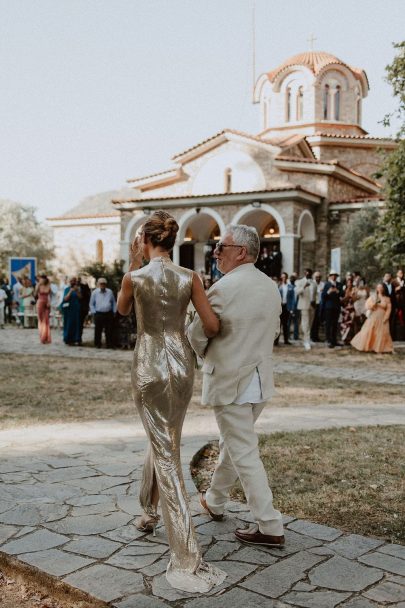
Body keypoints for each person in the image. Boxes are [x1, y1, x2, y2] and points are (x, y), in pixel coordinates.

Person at [117, 210, 226, 593]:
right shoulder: (190, 278)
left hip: (149, 364)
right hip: (180, 363)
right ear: (172, 241)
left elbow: (122, 310)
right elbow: (212, 326)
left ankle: (185, 551)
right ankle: (148, 511)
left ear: (145, 240)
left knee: (165, 450)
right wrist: (188, 328)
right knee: (165, 439)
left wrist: (133, 264)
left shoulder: (134, 277)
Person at [188, 224, 284, 549]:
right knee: (234, 444)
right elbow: (274, 331)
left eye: (221, 246)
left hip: (231, 380)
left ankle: (269, 524)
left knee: (244, 451)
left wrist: (208, 354)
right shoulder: (271, 287)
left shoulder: (223, 288)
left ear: (241, 252)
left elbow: (197, 333)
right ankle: (214, 500)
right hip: (259, 379)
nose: (215, 252)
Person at [351, 283, 393, 353]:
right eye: (378, 287)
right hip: (374, 316)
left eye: (381, 287)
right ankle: (368, 346)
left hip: (382, 317)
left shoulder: (387, 298)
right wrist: (374, 304)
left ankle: (381, 348)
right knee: (369, 330)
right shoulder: (374, 296)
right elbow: (367, 305)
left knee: (382, 332)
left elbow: (389, 309)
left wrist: (386, 317)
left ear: (384, 289)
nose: (379, 289)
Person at [89, 278, 117, 348]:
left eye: (104, 284)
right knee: (98, 330)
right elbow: (91, 304)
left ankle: (109, 344)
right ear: (98, 284)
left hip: (108, 313)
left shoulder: (109, 292)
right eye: (101, 284)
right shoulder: (95, 292)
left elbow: (113, 302)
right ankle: (97, 344)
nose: (102, 285)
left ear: (106, 284)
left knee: (109, 330)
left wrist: (114, 311)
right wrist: (94, 312)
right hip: (98, 313)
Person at [295, 268, 317, 351]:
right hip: (304, 305)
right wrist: (304, 286)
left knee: (310, 323)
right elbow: (297, 292)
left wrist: (315, 302)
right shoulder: (300, 282)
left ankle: (308, 338)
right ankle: (306, 341)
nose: (308, 274)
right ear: (304, 273)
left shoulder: (314, 282)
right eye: (306, 272)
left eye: (309, 272)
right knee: (305, 323)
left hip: (312, 305)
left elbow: (315, 294)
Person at [322, 270, 343, 348]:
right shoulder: (327, 284)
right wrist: (328, 292)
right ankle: (328, 340)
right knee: (328, 324)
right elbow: (323, 296)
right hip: (329, 307)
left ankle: (334, 340)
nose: (334, 277)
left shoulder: (339, 285)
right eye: (332, 275)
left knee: (335, 324)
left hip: (336, 306)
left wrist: (337, 291)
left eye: (335, 275)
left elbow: (342, 294)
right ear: (330, 276)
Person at [62, 277, 82, 345]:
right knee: (68, 323)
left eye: (73, 281)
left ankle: (76, 338)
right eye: (71, 281)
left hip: (76, 308)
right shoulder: (66, 289)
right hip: (68, 309)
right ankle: (67, 338)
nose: (72, 282)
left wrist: (76, 291)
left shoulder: (78, 289)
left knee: (76, 324)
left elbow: (80, 297)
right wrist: (70, 291)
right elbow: (65, 298)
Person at [275, 272, 292, 345]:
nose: (283, 278)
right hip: (279, 306)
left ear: (286, 278)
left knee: (286, 324)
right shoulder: (278, 286)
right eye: (282, 277)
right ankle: (276, 341)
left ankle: (286, 340)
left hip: (286, 306)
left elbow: (291, 298)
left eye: (284, 277)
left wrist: (291, 308)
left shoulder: (289, 286)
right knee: (278, 324)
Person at [35, 275, 52, 344]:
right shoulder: (38, 285)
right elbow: (35, 294)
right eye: (40, 279)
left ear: (45, 280)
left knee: (46, 320)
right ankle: (42, 337)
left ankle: (46, 337)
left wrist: (49, 302)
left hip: (47, 303)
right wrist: (38, 285)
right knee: (41, 320)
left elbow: (50, 296)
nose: (41, 280)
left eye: (42, 279)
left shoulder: (48, 286)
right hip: (40, 303)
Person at [340, 276, 356, 344]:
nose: (349, 283)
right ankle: (344, 338)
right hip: (345, 309)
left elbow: (355, 299)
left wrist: (351, 297)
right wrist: (346, 297)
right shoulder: (343, 289)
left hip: (351, 309)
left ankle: (350, 338)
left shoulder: (354, 289)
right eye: (348, 282)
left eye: (351, 282)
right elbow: (341, 299)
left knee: (351, 323)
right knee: (344, 323)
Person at [310, 271, 324, 342]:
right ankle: (312, 336)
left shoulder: (322, 284)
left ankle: (316, 336)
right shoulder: (312, 284)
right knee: (313, 321)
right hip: (313, 304)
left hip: (320, 304)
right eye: (316, 277)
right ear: (314, 277)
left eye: (319, 277)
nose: (318, 278)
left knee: (318, 321)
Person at [383, 272, 396, 340]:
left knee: (391, 321)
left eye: (389, 276)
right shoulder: (382, 285)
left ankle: (391, 336)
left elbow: (394, 297)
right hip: (385, 306)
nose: (387, 277)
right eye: (386, 276)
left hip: (392, 306)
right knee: (385, 320)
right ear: (384, 277)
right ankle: (384, 336)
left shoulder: (393, 286)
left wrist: (395, 306)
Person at [393, 268, 405, 340]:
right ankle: (394, 335)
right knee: (395, 317)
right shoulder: (394, 281)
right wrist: (398, 288)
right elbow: (392, 291)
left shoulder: (404, 280)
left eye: (402, 273)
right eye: (400, 273)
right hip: (397, 301)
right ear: (397, 274)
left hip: (403, 301)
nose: (401, 274)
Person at [78, 276, 91, 342]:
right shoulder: (76, 287)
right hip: (77, 309)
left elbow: (86, 298)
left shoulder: (85, 288)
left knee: (80, 325)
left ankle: (78, 338)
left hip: (82, 309)